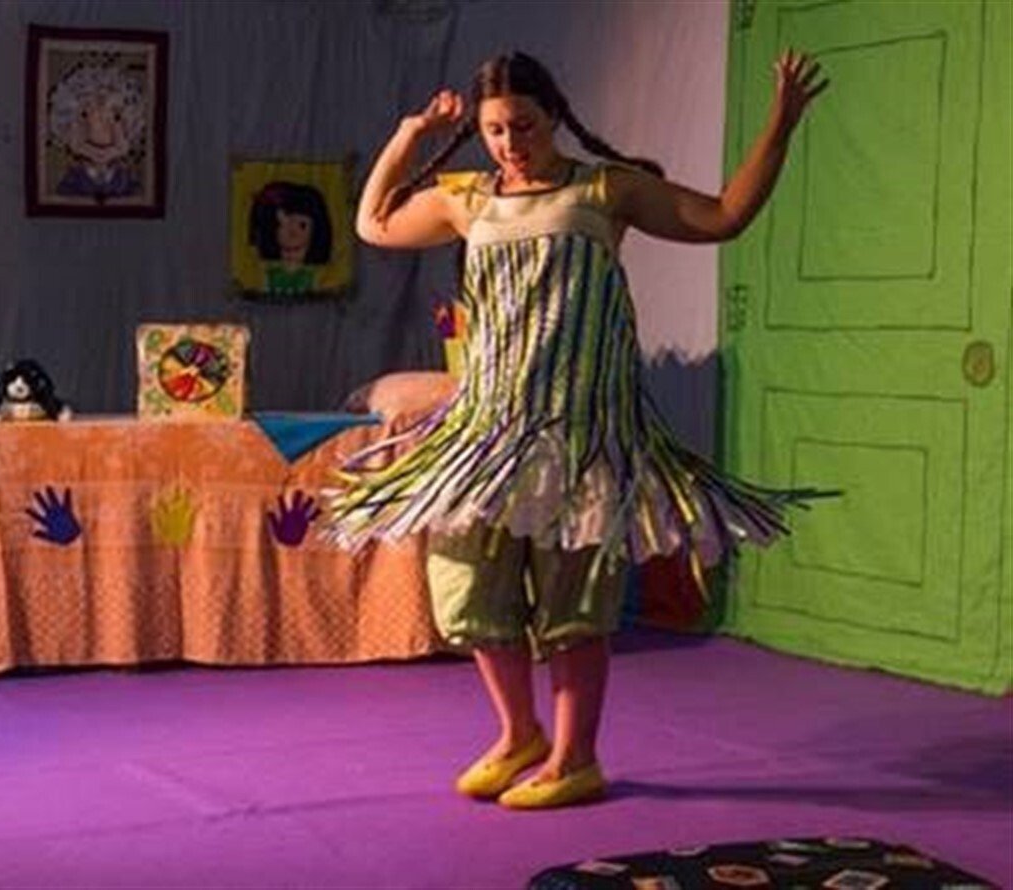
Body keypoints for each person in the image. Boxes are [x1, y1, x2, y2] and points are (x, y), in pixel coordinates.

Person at [327, 50, 829, 810]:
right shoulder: (467, 198)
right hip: (487, 440)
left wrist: (782, 124)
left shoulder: (604, 190)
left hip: (581, 437)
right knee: (467, 593)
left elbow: (726, 215)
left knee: (574, 608)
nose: (510, 143)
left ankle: (575, 759)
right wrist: (411, 134)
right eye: (495, 130)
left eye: (523, 126)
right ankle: (518, 735)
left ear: (554, 116)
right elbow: (373, 225)